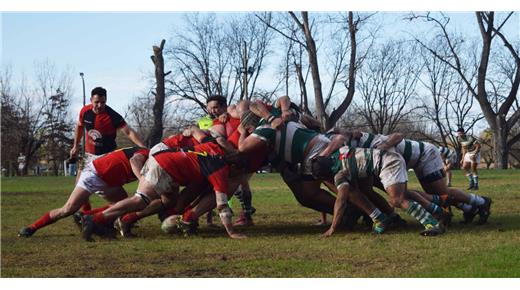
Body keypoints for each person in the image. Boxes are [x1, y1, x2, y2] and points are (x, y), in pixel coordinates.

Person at [80, 141, 246, 241]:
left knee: (168, 201)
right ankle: (95, 220)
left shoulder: (212, 148)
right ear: (233, 166)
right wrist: (231, 232)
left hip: (163, 160)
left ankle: (120, 220)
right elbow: (222, 205)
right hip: (164, 167)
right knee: (140, 200)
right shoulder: (220, 170)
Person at [311, 145, 445, 237]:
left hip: (388, 163)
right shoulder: (339, 151)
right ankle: (437, 209)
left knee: (397, 199)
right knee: (404, 194)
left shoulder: (339, 174)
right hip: (391, 157)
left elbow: (340, 201)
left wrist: (333, 228)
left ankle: (432, 223)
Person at [18, 146, 149, 237]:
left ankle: (92, 219)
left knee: (125, 205)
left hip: (110, 181)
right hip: (95, 174)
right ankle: (32, 228)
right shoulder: (148, 154)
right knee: (68, 209)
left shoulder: (154, 158)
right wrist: (142, 180)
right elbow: (134, 160)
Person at [70, 87, 146, 211]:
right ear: (91, 100)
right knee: (79, 186)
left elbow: (128, 131)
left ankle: (116, 213)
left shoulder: (112, 115)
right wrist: (75, 145)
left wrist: (142, 147)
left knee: (113, 193)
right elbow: (79, 126)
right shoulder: (85, 111)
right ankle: (85, 215)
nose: (100, 105)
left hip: (106, 157)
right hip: (88, 155)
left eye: (103, 102)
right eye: (96, 102)